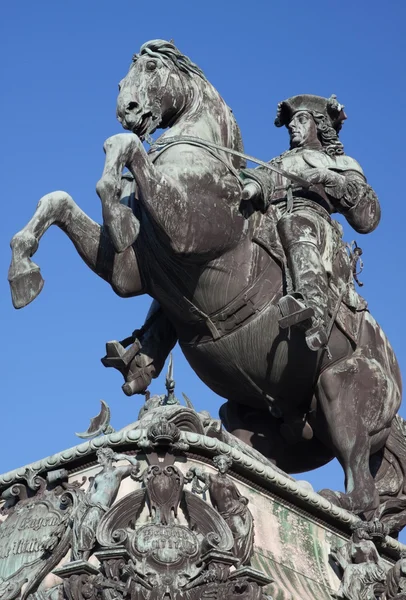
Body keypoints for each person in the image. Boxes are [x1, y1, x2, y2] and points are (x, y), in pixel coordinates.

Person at [241, 94, 380, 350]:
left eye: (301, 119)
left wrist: (330, 178)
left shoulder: (340, 162)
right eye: (291, 122)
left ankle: (313, 305)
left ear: (320, 125)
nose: (292, 126)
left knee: (297, 221)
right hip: (270, 216)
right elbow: (257, 181)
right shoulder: (278, 162)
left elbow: (368, 217)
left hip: (313, 222)